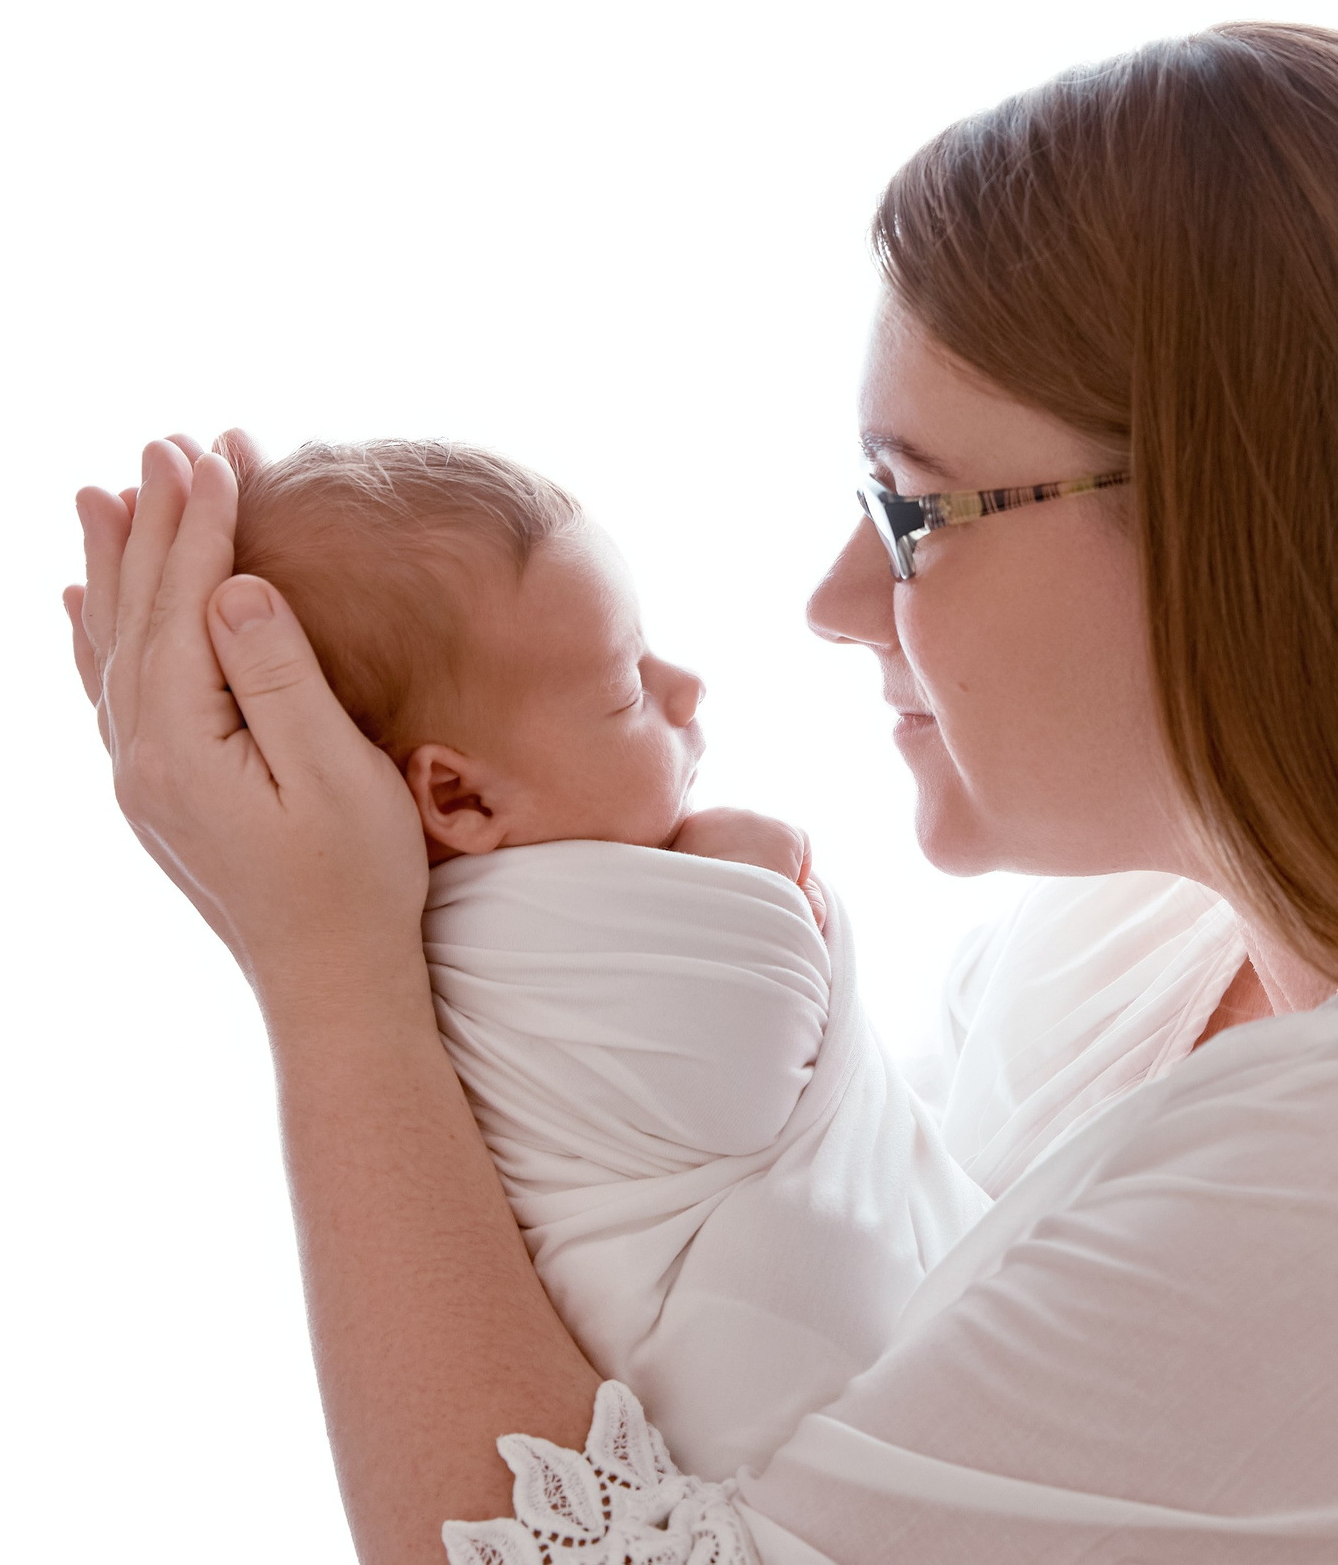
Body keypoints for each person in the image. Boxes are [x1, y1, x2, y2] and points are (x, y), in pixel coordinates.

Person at [67, 24, 1338, 1563]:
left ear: (1230, 515)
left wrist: (327, 972)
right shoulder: (1132, 969)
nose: (837, 598)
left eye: (909, 506)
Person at [226, 437, 989, 1481]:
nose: (685, 685)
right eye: (629, 685)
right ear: (459, 798)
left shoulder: (404, 914)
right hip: (745, 1412)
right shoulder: (515, 928)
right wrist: (759, 867)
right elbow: (736, 1065)